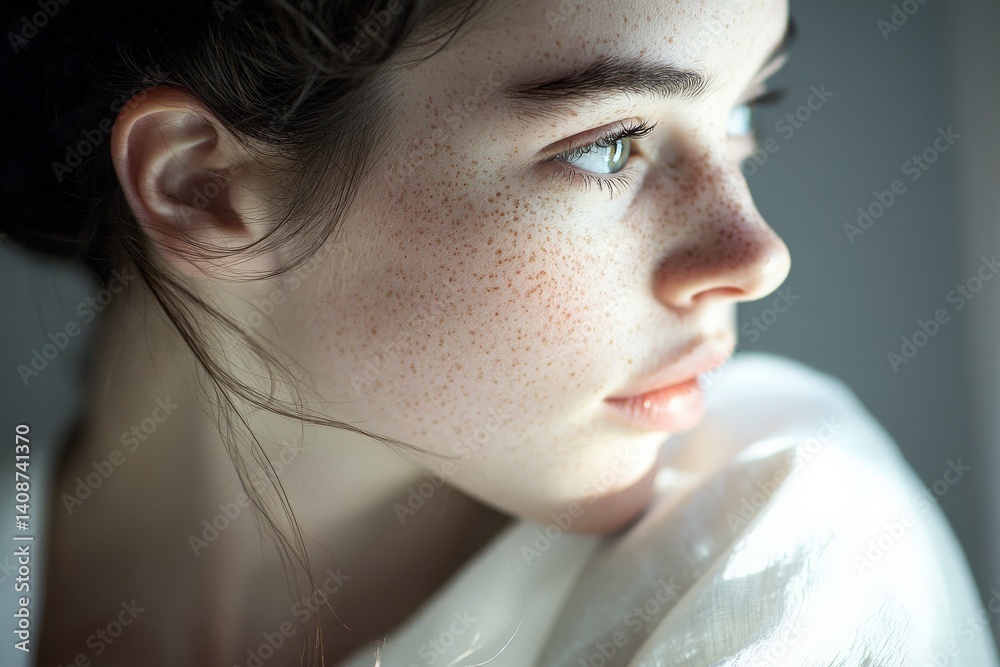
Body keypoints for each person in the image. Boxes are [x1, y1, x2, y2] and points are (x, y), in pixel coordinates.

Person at [0, 0, 994, 665]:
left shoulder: (784, 546)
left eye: (745, 113)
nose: (756, 253)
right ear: (202, 186)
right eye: (609, 144)